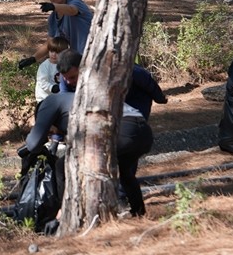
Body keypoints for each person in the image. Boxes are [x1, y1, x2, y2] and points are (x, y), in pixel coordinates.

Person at [22, 50, 154, 217]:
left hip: (122, 130)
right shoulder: (84, 92)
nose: (69, 82)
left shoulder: (51, 102)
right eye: (66, 79)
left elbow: (33, 143)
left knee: (62, 167)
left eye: (72, 77)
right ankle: (139, 213)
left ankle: (63, 214)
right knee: (125, 172)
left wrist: (30, 147)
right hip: (143, 132)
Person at [19, 0, 93, 70]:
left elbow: (72, 10)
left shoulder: (75, 2)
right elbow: (50, 43)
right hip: (77, 61)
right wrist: (33, 58)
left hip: (92, 55)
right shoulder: (53, 19)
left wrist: (54, 6)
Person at [35, 35, 71, 102]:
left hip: (57, 98)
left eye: (57, 52)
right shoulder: (45, 66)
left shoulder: (65, 64)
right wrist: (51, 87)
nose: (53, 54)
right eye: (51, 51)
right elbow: (42, 81)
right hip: (44, 97)